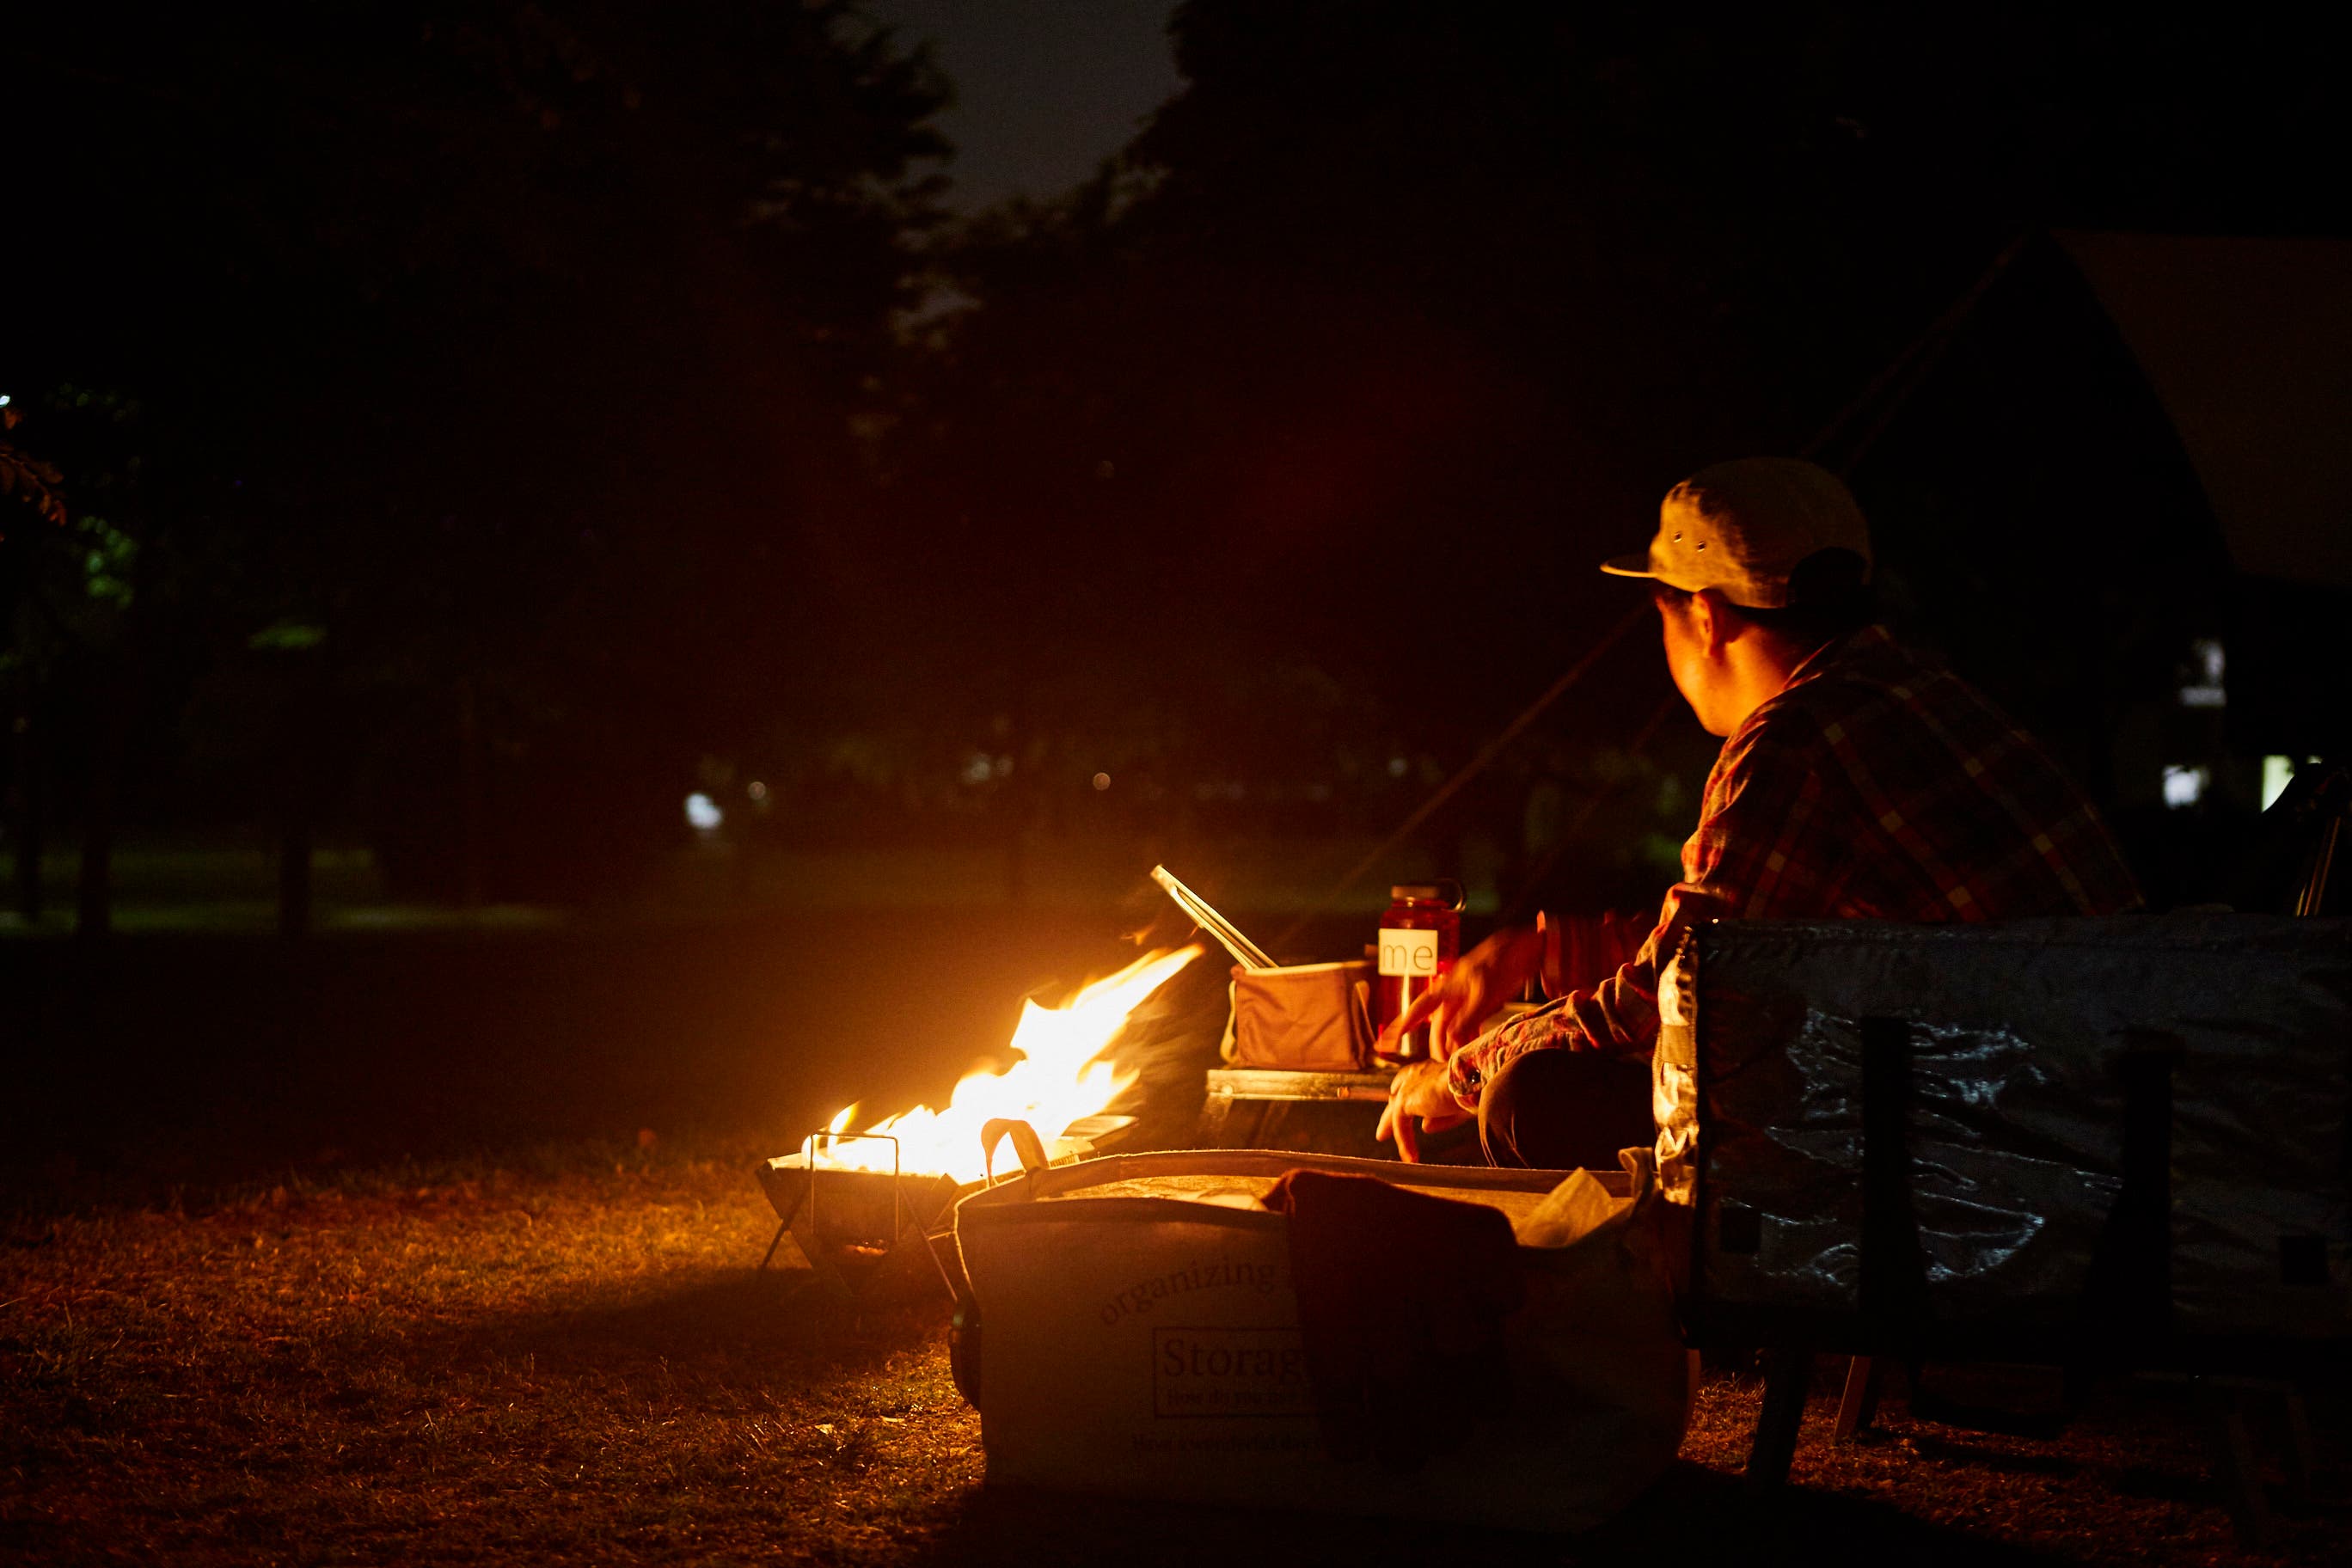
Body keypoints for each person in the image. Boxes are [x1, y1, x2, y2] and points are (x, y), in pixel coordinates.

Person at [1375, 457, 2143, 1167]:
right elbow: (1740, 930)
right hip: (2111, 1101)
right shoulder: (1923, 697)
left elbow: (1676, 997)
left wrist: (1466, 1071)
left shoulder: (1795, 742)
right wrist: (1543, 950)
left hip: (2003, 1141)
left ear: (1704, 616)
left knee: (1534, 1100)